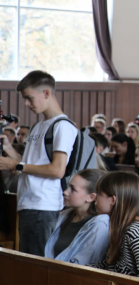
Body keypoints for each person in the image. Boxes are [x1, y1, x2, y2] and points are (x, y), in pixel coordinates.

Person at [0, 71, 79, 256]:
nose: (26, 104)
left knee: (37, 267)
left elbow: (57, 170)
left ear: (46, 93)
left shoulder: (63, 126)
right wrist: (9, 149)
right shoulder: (39, 125)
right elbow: (28, 164)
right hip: (29, 202)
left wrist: (15, 165)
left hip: (44, 205)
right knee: (28, 263)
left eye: (29, 98)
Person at [94, 171, 139, 282]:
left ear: (113, 200)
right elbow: (109, 266)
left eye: (98, 193)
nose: (94, 198)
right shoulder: (120, 227)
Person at [45, 169, 110, 265]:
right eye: (68, 187)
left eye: (73, 189)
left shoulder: (100, 224)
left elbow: (84, 264)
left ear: (91, 197)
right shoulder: (65, 215)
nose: (65, 192)